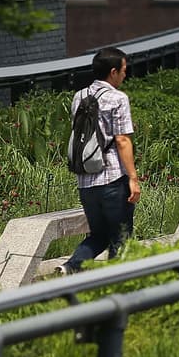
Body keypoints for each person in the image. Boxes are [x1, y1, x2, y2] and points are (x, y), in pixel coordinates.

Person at [63, 47, 140, 274]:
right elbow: (123, 140)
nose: (125, 75)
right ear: (113, 71)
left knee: (99, 235)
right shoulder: (118, 98)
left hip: (86, 181)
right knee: (121, 237)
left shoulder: (79, 96)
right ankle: (117, 286)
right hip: (113, 179)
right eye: (124, 70)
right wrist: (133, 178)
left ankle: (70, 267)